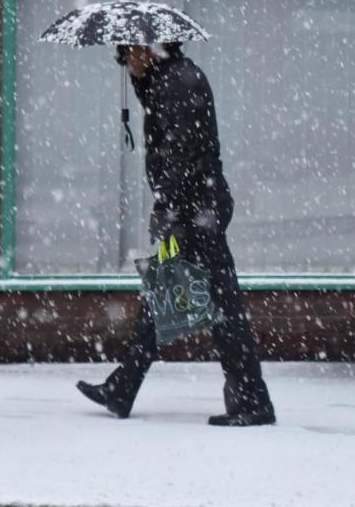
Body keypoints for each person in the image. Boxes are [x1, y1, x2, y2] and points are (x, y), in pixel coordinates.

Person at [76, 42, 276, 427]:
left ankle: (252, 401)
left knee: (221, 307)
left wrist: (168, 208)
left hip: (197, 210)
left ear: (151, 49)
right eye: (123, 55)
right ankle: (124, 387)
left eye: (129, 53)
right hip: (197, 207)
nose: (126, 60)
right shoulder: (167, 79)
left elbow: (182, 155)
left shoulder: (180, 83)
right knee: (167, 291)